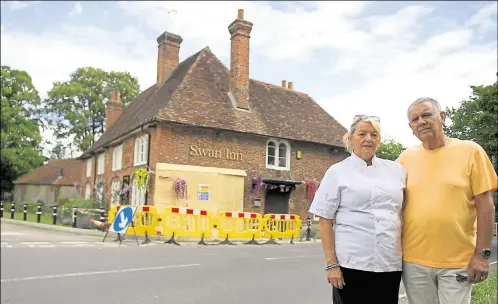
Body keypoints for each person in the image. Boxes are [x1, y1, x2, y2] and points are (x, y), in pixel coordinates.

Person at [397, 97, 497, 304]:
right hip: (413, 261)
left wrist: (482, 255)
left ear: (442, 117)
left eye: (426, 114)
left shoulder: (471, 151)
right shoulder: (404, 160)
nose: (421, 121)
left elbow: (486, 206)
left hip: (458, 261)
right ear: (411, 128)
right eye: (415, 119)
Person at [309, 115, 406, 304]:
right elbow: (325, 220)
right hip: (351, 264)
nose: (368, 139)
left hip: (389, 263)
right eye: (362, 133)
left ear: (379, 139)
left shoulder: (396, 171)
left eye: (374, 134)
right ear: (350, 137)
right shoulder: (337, 172)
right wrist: (332, 265)